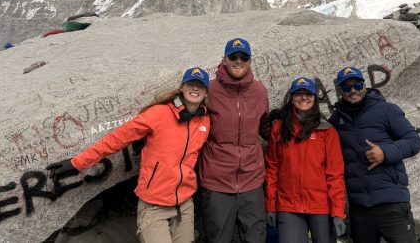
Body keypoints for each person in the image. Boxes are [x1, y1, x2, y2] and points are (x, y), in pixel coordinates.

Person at [46, 67, 211, 243]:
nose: (195, 89)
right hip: (154, 207)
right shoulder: (158, 114)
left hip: (184, 205)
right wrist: (77, 163)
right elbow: (116, 139)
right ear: (182, 88)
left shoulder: (205, 122)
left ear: (206, 92)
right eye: (191, 84)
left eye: (200, 86)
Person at [329, 66, 420, 243]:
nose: (353, 91)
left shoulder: (387, 110)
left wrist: (385, 152)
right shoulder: (336, 120)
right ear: (339, 91)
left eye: (357, 85)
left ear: (364, 85)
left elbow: (414, 141)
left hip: (391, 201)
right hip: (359, 208)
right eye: (347, 87)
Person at [198, 38, 270, 243]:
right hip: (217, 182)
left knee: (256, 238)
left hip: (252, 180)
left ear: (250, 61)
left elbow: (265, 128)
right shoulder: (209, 89)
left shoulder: (259, 91)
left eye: (244, 57)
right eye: (233, 56)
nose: (239, 61)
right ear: (225, 60)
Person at [265, 77, 346, 243]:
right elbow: (272, 170)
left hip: (320, 206)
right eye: (298, 93)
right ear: (292, 98)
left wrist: (338, 212)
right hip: (288, 206)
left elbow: (335, 174)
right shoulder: (279, 129)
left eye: (308, 93)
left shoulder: (327, 130)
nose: (303, 98)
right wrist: (271, 207)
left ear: (315, 98)